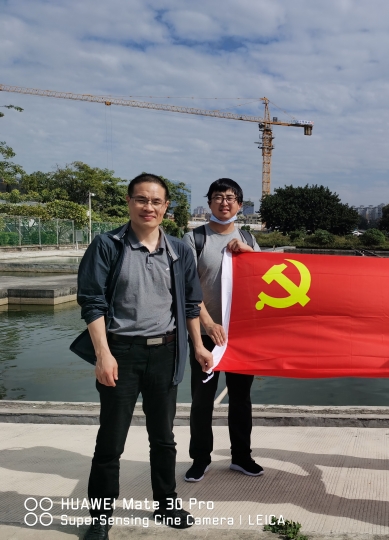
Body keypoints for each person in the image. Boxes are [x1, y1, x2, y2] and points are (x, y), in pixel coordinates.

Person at [76, 174, 213, 540]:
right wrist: (103, 355)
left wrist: (198, 346)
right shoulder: (107, 245)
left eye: (156, 201)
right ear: (129, 202)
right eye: (141, 199)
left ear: (166, 207)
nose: (148, 207)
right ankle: (100, 517)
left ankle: (166, 503)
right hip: (120, 352)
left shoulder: (179, 250)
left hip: (165, 353)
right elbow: (92, 303)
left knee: (164, 437)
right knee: (111, 441)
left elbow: (190, 304)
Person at [182, 178, 263, 482]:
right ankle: (200, 458)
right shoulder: (195, 239)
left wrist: (248, 252)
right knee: (202, 399)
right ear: (209, 203)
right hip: (206, 335)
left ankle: (241, 456)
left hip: (240, 335)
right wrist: (208, 323)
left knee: (241, 398)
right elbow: (188, 289)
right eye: (218, 197)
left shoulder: (247, 238)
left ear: (240, 205)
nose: (224, 203)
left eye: (230, 198)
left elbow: (264, 278)